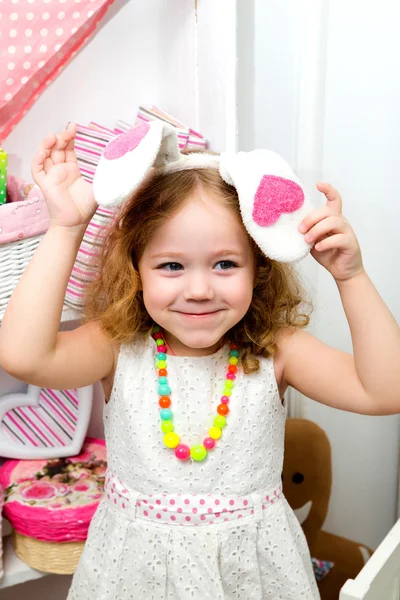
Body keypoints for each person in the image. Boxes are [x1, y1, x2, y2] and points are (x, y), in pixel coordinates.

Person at [0, 122, 399, 600]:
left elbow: (385, 391)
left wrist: (350, 277)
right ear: (136, 271)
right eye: (171, 265)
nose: (199, 289)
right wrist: (66, 226)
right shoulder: (117, 346)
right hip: (133, 575)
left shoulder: (278, 350)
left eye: (225, 263)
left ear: (259, 268)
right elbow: (24, 356)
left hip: (252, 576)